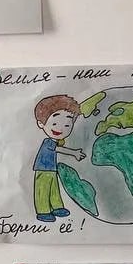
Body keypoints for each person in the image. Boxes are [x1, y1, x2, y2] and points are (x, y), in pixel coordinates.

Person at [31, 95, 86, 223]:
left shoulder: (55, 141)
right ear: (41, 123)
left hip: (51, 168)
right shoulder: (48, 142)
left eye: (67, 125)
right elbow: (57, 149)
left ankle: (57, 207)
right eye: (55, 123)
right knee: (43, 189)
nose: (60, 128)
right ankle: (43, 211)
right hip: (43, 169)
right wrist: (74, 153)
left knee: (54, 188)